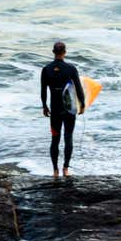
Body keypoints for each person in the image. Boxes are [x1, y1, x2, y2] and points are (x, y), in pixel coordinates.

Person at [40, 41, 85, 177]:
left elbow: (43, 91)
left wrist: (44, 106)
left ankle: (55, 170)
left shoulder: (46, 69)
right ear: (65, 52)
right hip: (69, 108)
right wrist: (82, 104)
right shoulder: (71, 68)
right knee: (68, 137)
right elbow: (78, 88)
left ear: (53, 52)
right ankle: (65, 169)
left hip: (55, 109)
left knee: (55, 139)